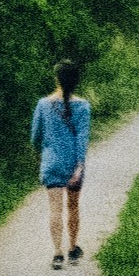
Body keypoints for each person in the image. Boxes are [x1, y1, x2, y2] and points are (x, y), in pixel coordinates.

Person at [32, 65, 93, 265]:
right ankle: (73, 249)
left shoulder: (43, 104)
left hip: (51, 162)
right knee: (73, 207)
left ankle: (57, 253)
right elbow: (82, 139)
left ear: (56, 79)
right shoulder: (83, 106)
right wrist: (79, 166)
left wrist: (42, 152)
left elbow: (35, 136)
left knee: (55, 209)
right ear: (76, 81)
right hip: (72, 162)